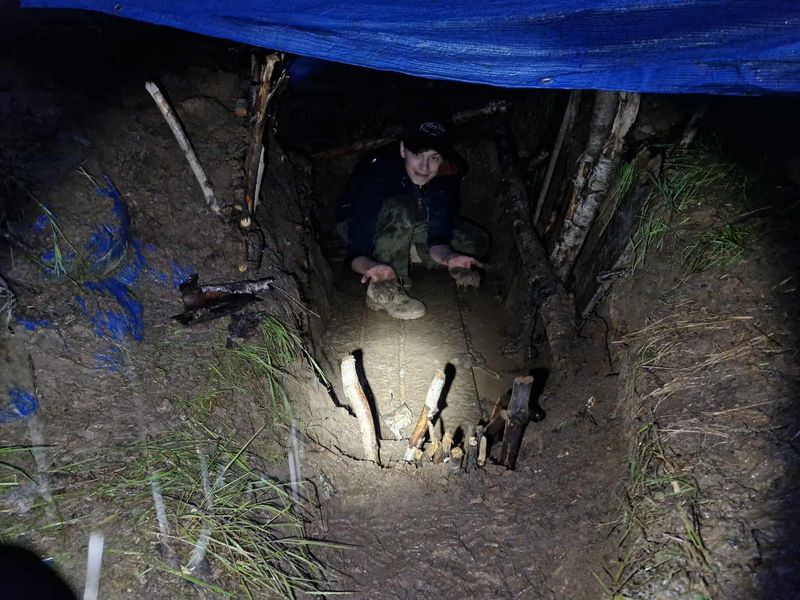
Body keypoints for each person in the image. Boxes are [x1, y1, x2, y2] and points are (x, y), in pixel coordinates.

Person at [336, 115, 490, 320]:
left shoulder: (447, 174)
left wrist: (449, 257)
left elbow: (439, 234)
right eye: (418, 154)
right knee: (402, 208)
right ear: (403, 150)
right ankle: (386, 288)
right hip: (359, 225)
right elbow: (358, 247)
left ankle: (407, 249)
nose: (424, 167)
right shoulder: (379, 170)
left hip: (412, 222)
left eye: (434, 157)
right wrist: (370, 266)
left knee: (476, 242)